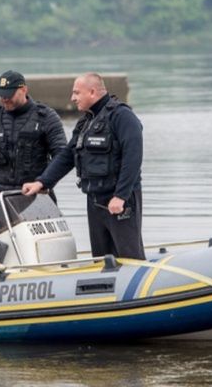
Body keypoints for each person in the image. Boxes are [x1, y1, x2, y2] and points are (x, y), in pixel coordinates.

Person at [22, 73, 144, 260]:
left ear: (92, 92)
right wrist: (42, 182)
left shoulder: (122, 116)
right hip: (95, 200)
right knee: (102, 258)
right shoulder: (86, 122)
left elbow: (133, 158)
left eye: (77, 93)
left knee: (129, 256)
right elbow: (67, 156)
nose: (73, 98)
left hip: (120, 201)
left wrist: (120, 196)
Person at [0, 70, 67, 204]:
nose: (4, 99)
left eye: (9, 95)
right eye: (1, 95)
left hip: (38, 196)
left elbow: (62, 155)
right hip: (2, 198)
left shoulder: (46, 116)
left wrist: (44, 182)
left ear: (24, 89)